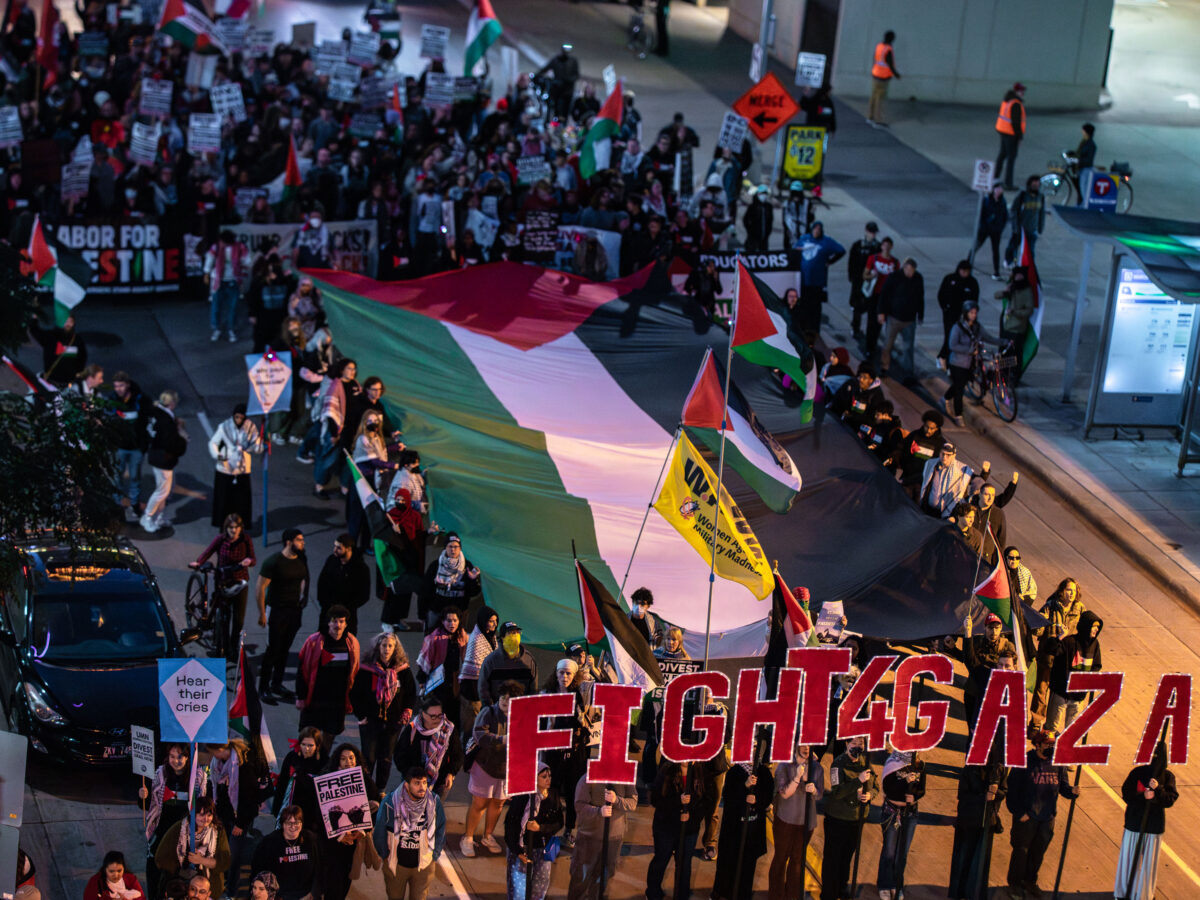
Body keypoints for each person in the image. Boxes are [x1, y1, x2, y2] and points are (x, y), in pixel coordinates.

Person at [1006, 730, 1079, 898]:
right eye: (1047, 744)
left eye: (1053, 745)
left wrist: (1072, 791)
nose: (1051, 748)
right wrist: (1019, 813)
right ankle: (1015, 885)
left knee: (1038, 853)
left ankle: (1030, 881)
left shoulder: (1057, 763)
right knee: (1021, 853)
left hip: (1047, 818)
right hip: (1027, 818)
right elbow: (1012, 790)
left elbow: (1063, 787)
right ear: (1037, 745)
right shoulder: (1024, 761)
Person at [461, 680, 522, 858]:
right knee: (480, 803)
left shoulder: (520, 715)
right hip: (485, 767)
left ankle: (488, 835)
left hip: (505, 770)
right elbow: (479, 735)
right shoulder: (488, 712)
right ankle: (468, 837)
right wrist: (502, 740)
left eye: (509, 699)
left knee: (498, 803)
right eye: (503, 697)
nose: (504, 701)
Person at [353, 631, 418, 791]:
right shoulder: (367, 669)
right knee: (368, 757)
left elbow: (410, 694)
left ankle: (380, 790)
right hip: (370, 722)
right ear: (378, 647)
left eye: (390, 646)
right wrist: (361, 716)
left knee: (386, 758)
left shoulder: (403, 671)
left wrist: (407, 711)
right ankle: (367, 790)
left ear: (395, 648)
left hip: (393, 723)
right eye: (384, 645)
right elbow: (355, 694)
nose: (387, 649)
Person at [1115, 742, 1178, 900]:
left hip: (1154, 826)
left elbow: (1170, 800)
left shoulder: (1168, 776)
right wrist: (1143, 797)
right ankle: (1123, 893)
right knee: (1127, 861)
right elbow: (1126, 794)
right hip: (1134, 824)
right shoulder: (1137, 772)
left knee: (1149, 864)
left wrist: (1158, 790)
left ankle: (1144, 895)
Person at [139, 744, 204, 897]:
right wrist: (143, 795)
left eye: (180, 757)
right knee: (154, 863)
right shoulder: (160, 775)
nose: (176, 761)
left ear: (188, 758)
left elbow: (203, 805)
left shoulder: (197, 777)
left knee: (180, 870)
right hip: (162, 829)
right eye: (172, 757)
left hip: (186, 832)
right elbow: (148, 805)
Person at [374, 768, 447, 900]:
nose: (422, 787)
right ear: (407, 785)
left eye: (424, 782)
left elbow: (440, 829)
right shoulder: (390, 802)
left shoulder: (434, 802)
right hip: (397, 865)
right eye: (417, 783)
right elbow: (379, 831)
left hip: (423, 865)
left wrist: (434, 855)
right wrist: (385, 855)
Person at [208, 739, 267, 899]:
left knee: (233, 857)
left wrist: (241, 823)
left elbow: (250, 797)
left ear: (221, 749)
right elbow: (217, 788)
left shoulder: (243, 766)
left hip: (238, 820)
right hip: (223, 815)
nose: (213, 756)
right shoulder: (219, 763)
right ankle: (223, 883)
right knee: (222, 852)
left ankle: (231, 891)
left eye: (214, 752)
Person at [646, 760, 713, 900]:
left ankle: (682, 894)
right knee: (661, 859)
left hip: (689, 829)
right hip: (665, 827)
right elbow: (656, 799)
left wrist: (691, 815)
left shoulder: (702, 773)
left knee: (684, 863)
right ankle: (653, 892)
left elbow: (707, 801)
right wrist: (678, 802)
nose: (687, 760)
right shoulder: (667, 770)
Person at [820, 735, 877, 900]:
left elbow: (876, 786)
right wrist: (858, 782)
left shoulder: (866, 764)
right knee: (833, 859)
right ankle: (829, 893)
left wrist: (869, 795)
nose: (858, 745)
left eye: (861, 742)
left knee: (847, 858)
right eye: (854, 742)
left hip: (857, 820)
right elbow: (837, 792)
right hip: (838, 819)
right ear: (846, 744)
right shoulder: (838, 764)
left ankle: (842, 889)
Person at [257, 528, 310, 703]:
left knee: (285, 650)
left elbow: (303, 578)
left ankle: (277, 684)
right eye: (299, 540)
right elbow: (260, 587)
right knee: (273, 649)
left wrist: (303, 597)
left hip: (294, 611)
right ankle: (263, 687)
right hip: (277, 610)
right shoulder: (274, 562)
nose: (302, 543)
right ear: (288, 542)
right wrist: (262, 613)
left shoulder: (302, 559)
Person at [712, 751, 774, 900]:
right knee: (728, 862)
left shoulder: (764, 772)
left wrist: (757, 800)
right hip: (733, 829)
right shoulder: (735, 771)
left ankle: (743, 894)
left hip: (752, 829)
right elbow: (728, 796)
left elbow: (768, 797)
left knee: (748, 865)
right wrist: (744, 787)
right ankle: (721, 892)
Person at [296, 605, 361, 747]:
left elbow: (355, 673)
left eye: (341, 621)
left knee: (329, 736)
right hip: (315, 699)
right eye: (335, 621)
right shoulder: (314, 642)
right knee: (308, 735)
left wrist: (352, 701)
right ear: (328, 622)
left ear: (346, 624)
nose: (338, 625)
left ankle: (323, 764)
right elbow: (302, 671)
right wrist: (301, 697)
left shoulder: (352, 644)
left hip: (337, 702)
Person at [948, 747, 1009, 900]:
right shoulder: (970, 768)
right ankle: (959, 892)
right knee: (964, 858)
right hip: (968, 820)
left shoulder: (999, 770)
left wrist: (995, 793)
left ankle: (976, 893)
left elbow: (1004, 791)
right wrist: (984, 796)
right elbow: (962, 794)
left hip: (987, 821)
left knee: (982, 861)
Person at [567, 774, 637, 900]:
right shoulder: (588, 777)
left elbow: (633, 802)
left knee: (604, 877)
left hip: (614, 837)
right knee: (581, 877)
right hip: (589, 837)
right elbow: (579, 805)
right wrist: (598, 811)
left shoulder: (625, 777)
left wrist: (617, 800)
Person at [191, 514, 256, 651]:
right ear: (226, 528)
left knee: (238, 619)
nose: (234, 530)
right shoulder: (221, 539)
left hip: (240, 581)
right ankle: (224, 647)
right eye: (231, 528)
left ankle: (234, 646)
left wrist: (248, 561)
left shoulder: (245, 540)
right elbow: (208, 552)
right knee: (224, 617)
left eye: (236, 528)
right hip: (223, 580)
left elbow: (252, 558)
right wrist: (199, 562)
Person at [768, 742, 823, 900]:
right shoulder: (785, 765)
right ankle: (776, 895)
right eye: (803, 745)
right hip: (785, 820)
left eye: (809, 745)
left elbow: (819, 795)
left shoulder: (817, 768)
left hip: (806, 822)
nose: (806, 748)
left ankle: (793, 895)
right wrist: (798, 777)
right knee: (780, 858)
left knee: (798, 861)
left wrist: (814, 790)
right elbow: (784, 793)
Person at [505, 762, 565, 900]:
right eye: (544, 776)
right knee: (518, 891)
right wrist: (518, 851)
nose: (548, 779)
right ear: (534, 778)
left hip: (543, 848)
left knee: (539, 888)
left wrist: (541, 828)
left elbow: (559, 823)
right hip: (523, 850)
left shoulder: (553, 795)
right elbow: (510, 826)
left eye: (549, 776)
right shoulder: (522, 797)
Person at [154, 797, 231, 899]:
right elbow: (161, 857)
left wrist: (201, 860)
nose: (205, 819)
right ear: (193, 814)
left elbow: (225, 862)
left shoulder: (218, 832)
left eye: (209, 815)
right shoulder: (179, 828)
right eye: (201, 814)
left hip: (208, 883)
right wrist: (181, 869)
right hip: (181, 886)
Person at [1042, 610, 1103, 734]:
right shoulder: (1069, 642)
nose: (1096, 630)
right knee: (1050, 730)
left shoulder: (1095, 645)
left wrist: (1086, 682)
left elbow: (1096, 666)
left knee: (1071, 732)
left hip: (1078, 696)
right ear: (1086, 626)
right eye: (1094, 626)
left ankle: (1064, 753)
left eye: (1097, 627)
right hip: (1061, 693)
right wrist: (1060, 637)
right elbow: (1050, 649)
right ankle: (1047, 751)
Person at [877, 748, 925, 900]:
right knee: (889, 851)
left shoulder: (919, 766)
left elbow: (922, 789)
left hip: (910, 814)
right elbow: (888, 789)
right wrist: (905, 781)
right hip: (892, 812)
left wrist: (915, 796)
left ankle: (897, 885)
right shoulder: (892, 763)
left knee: (901, 853)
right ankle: (885, 885)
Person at [394, 695, 463, 799]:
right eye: (433, 716)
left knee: (433, 813)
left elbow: (457, 755)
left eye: (440, 715)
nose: (437, 720)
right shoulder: (412, 729)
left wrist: (450, 773)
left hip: (439, 783)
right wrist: (410, 775)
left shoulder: (448, 730)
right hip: (414, 782)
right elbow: (399, 755)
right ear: (423, 714)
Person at [944, 301, 1001, 426]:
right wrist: (969, 350)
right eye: (971, 313)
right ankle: (958, 415)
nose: (973, 315)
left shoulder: (977, 327)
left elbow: (988, 337)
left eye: (975, 313)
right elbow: (952, 345)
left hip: (970, 364)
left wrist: (1003, 342)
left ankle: (946, 397)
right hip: (957, 363)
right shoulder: (957, 328)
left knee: (960, 385)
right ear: (965, 313)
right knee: (959, 390)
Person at [141, 390, 190, 534]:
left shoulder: (157, 414)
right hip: (163, 459)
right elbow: (171, 442)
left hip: (159, 456)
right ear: (173, 403)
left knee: (166, 491)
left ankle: (158, 517)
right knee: (162, 491)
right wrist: (183, 439)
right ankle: (148, 517)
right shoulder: (166, 419)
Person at [208, 404, 264, 528]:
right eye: (236, 417)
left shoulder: (250, 427)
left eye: (241, 417)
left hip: (242, 469)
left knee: (241, 501)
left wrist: (260, 445)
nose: (238, 420)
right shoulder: (224, 427)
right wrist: (218, 456)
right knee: (224, 500)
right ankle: (224, 526)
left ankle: (240, 526)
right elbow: (213, 443)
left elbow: (256, 444)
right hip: (226, 468)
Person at [251, 806, 323, 900]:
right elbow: (258, 870)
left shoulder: (311, 839)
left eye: (296, 822)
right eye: (289, 823)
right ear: (282, 824)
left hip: (307, 895)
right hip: (279, 896)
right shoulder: (269, 842)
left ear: (301, 823)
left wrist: (314, 892)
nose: (293, 827)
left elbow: (321, 867)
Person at [416, 607, 468, 731]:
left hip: (456, 682)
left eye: (455, 620)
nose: (452, 624)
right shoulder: (434, 637)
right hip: (439, 683)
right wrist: (422, 680)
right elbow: (425, 662)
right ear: (442, 621)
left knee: (454, 717)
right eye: (448, 620)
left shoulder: (463, 637)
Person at [107, 372, 151, 518]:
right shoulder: (112, 400)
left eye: (121, 385)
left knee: (134, 477)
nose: (118, 389)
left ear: (128, 385)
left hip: (136, 447)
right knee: (117, 477)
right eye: (115, 386)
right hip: (120, 446)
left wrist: (144, 444)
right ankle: (117, 504)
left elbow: (148, 421)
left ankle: (134, 503)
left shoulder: (140, 400)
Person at [796, 221, 846, 336]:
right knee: (803, 306)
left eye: (819, 230)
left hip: (817, 282)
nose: (817, 231)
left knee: (815, 308)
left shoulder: (826, 242)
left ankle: (814, 331)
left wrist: (830, 261)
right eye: (815, 229)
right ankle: (802, 328)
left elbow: (841, 250)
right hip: (803, 280)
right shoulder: (804, 239)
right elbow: (794, 249)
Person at [877, 257, 924, 380]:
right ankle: (884, 367)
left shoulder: (918, 279)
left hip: (909, 320)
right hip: (894, 318)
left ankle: (908, 372)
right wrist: (881, 312)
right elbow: (884, 294)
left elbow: (920, 297)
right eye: (907, 269)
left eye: (911, 270)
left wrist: (920, 314)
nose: (909, 272)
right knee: (887, 344)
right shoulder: (894, 277)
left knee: (908, 347)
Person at [423, 533, 482, 631]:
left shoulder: (467, 566)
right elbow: (425, 589)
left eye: (456, 547)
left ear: (460, 548)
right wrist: (422, 614)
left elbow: (474, 592)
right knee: (432, 638)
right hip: (437, 610)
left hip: (459, 612)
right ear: (445, 548)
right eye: (450, 546)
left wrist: (473, 580)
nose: (453, 550)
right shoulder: (436, 565)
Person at [317, 534, 371, 636]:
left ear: (348, 549)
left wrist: (347, 608)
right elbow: (322, 582)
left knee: (345, 642)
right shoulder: (332, 560)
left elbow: (363, 594)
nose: (335, 550)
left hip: (347, 615)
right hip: (328, 610)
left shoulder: (360, 569)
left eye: (339, 548)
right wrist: (324, 603)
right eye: (335, 546)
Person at [478, 621, 540, 704]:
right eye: (511, 633)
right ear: (503, 637)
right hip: (498, 710)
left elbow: (533, 688)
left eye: (517, 633)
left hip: (521, 709)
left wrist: (528, 707)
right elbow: (483, 687)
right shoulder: (491, 661)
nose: (515, 636)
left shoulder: (528, 660)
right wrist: (491, 708)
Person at [272, 728, 326, 818]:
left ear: (317, 746)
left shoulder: (324, 762)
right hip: (291, 807)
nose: (306, 748)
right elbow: (282, 783)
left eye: (310, 745)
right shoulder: (292, 757)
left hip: (311, 810)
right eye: (303, 744)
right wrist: (277, 809)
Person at [205, 229, 248, 342]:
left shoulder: (240, 247)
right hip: (219, 281)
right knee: (216, 307)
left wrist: (240, 272)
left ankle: (231, 329)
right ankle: (217, 328)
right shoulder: (216, 247)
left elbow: (247, 261)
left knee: (233, 307)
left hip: (233, 281)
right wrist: (206, 272)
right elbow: (209, 259)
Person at [459, 605, 499, 723]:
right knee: (472, 724)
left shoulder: (491, 637)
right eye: (491, 621)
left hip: (484, 689)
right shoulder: (477, 639)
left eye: (496, 621)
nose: (495, 624)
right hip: (473, 691)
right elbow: (476, 669)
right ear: (483, 621)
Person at [937, 261, 980, 368]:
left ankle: (949, 360)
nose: (965, 273)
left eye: (967, 271)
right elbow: (941, 295)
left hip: (965, 317)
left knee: (961, 339)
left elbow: (974, 299)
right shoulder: (950, 279)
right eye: (963, 270)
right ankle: (944, 358)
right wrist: (945, 308)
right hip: (950, 315)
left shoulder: (972, 283)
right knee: (950, 337)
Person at [895, 411, 946, 501]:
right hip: (907, 478)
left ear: (937, 429)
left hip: (923, 485)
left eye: (932, 428)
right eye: (927, 427)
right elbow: (902, 449)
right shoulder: (914, 435)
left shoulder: (940, 444)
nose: (928, 430)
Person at [861, 236, 897, 357]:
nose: (886, 248)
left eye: (888, 245)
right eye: (884, 245)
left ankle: (876, 345)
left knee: (881, 323)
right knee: (872, 321)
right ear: (881, 246)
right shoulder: (874, 258)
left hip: (887, 297)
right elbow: (865, 275)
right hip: (875, 294)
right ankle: (869, 347)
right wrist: (872, 275)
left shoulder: (894, 262)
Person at [996, 266, 1035, 377]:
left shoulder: (1027, 291)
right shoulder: (1012, 287)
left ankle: (1013, 374)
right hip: (1006, 325)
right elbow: (997, 295)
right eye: (1016, 275)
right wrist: (1005, 291)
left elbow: (1029, 310)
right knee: (1004, 351)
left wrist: (1014, 312)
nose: (1017, 277)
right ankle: (1002, 373)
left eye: (1019, 275)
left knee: (1014, 353)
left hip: (1017, 328)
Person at [28, 313, 88, 385]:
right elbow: (35, 331)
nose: (68, 324)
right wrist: (34, 318)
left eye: (71, 322)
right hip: (51, 382)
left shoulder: (78, 340)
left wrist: (77, 374)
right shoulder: (51, 337)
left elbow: (82, 358)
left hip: (69, 383)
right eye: (65, 321)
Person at [847, 222, 881, 338]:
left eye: (874, 233)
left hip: (870, 281)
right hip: (858, 280)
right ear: (866, 231)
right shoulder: (858, 245)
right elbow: (851, 262)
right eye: (871, 232)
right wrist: (851, 276)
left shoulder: (877, 247)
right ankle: (855, 327)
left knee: (869, 304)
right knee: (857, 304)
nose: (873, 235)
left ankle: (869, 329)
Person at [971, 472, 1019, 552]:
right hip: (967, 553)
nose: (990, 498)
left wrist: (1013, 484)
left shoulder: (998, 514)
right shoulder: (970, 508)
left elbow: (1001, 541)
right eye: (987, 494)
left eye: (993, 495)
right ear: (980, 494)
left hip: (985, 558)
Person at [1005, 177, 1045, 266]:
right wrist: (1016, 226)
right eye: (1034, 185)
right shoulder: (1022, 195)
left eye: (1038, 185)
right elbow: (1014, 210)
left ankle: (1028, 266)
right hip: (1020, 228)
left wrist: (1040, 228)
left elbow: (1042, 213)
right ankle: (1009, 261)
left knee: (1030, 251)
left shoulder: (1040, 197)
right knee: (1013, 246)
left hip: (1032, 229)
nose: (1036, 187)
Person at [831, 364, 885, 430]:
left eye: (864, 378)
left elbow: (873, 419)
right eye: (860, 376)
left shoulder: (877, 396)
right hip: (841, 424)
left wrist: (852, 418)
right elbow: (838, 398)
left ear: (871, 380)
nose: (861, 379)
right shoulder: (852, 384)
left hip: (858, 432)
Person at [994, 82, 1027, 190]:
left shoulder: (1007, 100)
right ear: (1017, 91)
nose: (1023, 93)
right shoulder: (1016, 104)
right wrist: (1019, 137)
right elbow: (1016, 123)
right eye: (1021, 91)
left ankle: (995, 178)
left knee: (1002, 155)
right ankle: (1008, 183)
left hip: (1003, 131)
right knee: (1011, 158)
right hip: (1011, 134)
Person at [974, 183, 1009, 279]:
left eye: (1000, 189)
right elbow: (981, 215)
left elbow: (1005, 216)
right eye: (997, 189)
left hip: (996, 230)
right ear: (993, 190)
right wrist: (983, 226)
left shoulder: (1002, 202)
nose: (998, 191)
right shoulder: (987, 201)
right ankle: (969, 261)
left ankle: (996, 271)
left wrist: (1001, 227)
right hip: (985, 229)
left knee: (995, 250)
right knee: (977, 245)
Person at [868, 31, 900, 126]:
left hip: (875, 74)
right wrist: (896, 74)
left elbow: (876, 59)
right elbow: (890, 64)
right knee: (880, 99)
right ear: (892, 39)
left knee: (873, 96)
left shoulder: (879, 46)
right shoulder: (888, 49)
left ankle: (870, 116)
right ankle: (879, 120)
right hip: (883, 77)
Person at [743, 186, 773, 253]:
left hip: (764, 238)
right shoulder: (753, 206)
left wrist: (768, 232)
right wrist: (750, 231)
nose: (764, 196)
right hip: (753, 238)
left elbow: (770, 221)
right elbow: (745, 220)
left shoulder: (768, 207)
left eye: (765, 194)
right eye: (762, 194)